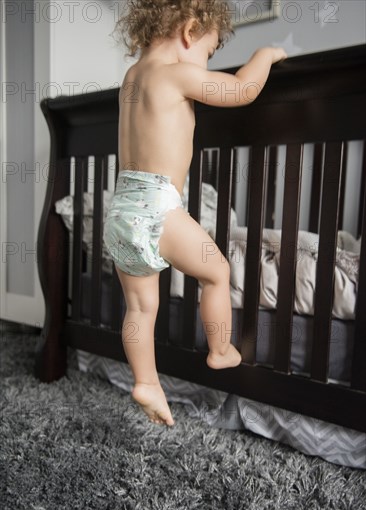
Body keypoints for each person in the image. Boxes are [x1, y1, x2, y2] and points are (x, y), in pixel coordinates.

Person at [103, 0, 287, 427]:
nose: (205, 65)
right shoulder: (177, 74)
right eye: (208, 53)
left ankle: (146, 380)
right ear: (189, 32)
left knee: (139, 308)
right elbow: (242, 89)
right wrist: (265, 56)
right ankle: (221, 350)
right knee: (216, 272)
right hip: (157, 206)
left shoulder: (131, 78)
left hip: (121, 211)